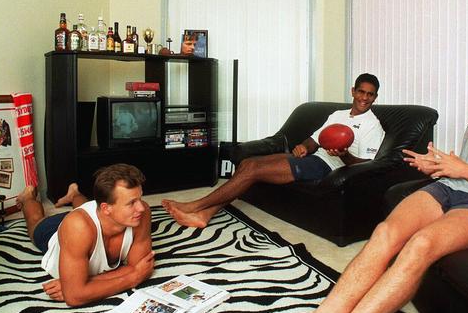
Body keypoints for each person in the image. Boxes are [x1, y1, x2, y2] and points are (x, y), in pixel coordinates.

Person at [289, 53, 468, 313]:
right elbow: (466, 169)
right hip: (448, 188)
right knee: (384, 233)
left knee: (420, 244)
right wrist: (437, 166)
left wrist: (462, 170)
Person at [163, 73, 386, 228]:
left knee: (252, 170)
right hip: (314, 157)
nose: (364, 98)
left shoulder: (373, 126)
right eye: (361, 92)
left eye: (370, 94)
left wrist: (343, 154)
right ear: (353, 91)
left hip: (328, 166)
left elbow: (366, 164)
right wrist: (303, 147)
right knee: (248, 164)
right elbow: (315, 139)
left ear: (375, 97)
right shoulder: (337, 115)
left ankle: (195, 205)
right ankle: (205, 214)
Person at [19, 163, 154, 307]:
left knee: (86, 207)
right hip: (57, 232)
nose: (141, 207)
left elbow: (141, 266)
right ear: (106, 208)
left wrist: (78, 284)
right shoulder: (78, 228)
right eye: (131, 203)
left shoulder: (141, 213)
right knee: (35, 222)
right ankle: (27, 197)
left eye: (140, 198)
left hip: (94, 220)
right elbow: (74, 297)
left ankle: (74, 193)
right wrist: (132, 279)